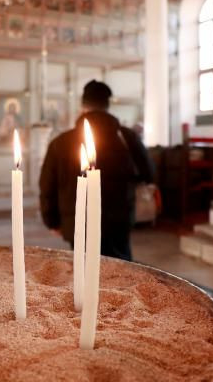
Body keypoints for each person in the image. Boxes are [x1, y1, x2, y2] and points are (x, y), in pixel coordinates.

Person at [39, 80, 153, 261]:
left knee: (83, 272)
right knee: (120, 272)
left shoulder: (61, 142)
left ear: (83, 104)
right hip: (119, 221)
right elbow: (149, 174)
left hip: (77, 221)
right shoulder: (127, 137)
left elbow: (47, 185)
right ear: (108, 104)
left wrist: (51, 220)